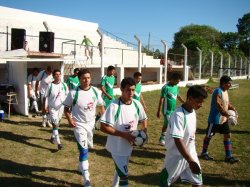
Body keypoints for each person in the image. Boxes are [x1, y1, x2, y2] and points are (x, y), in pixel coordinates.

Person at [100, 77, 148, 187]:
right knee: (124, 176)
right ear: (121, 89)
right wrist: (123, 135)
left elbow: (144, 119)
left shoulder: (137, 104)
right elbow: (103, 127)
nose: (131, 93)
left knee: (120, 170)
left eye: (133, 90)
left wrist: (144, 132)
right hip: (116, 148)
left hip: (128, 146)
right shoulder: (114, 106)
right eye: (128, 90)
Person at [160, 85, 208, 187]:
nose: (201, 105)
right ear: (190, 98)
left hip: (191, 154)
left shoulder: (192, 111)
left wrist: (191, 158)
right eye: (199, 101)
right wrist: (189, 160)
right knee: (164, 183)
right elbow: (178, 139)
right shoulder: (178, 115)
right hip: (176, 157)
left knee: (198, 183)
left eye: (202, 102)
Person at [63, 68, 105, 187]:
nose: (86, 80)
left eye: (88, 78)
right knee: (84, 150)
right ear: (79, 79)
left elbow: (101, 106)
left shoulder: (96, 92)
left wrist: (105, 120)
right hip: (78, 125)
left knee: (87, 146)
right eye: (83, 78)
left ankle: (79, 166)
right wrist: (70, 119)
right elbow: (66, 109)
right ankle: (86, 178)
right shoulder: (73, 93)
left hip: (91, 125)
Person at [200, 75, 239, 163]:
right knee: (208, 136)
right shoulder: (218, 91)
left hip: (223, 119)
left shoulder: (225, 91)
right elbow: (219, 104)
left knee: (227, 135)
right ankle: (204, 153)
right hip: (215, 119)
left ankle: (228, 156)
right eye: (229, 83)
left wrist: (233, 109)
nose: (230, 85)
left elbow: (226, 103)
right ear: (223, 83)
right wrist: (228, 115)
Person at [157, 72, 184, 146]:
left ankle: (161, 138)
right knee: (171, 125)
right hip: (166, 111)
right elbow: (161, 99)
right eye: (177, 81)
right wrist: (159, 111)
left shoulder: (176, 87)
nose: (178, 83)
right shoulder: (165, 87)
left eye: (179, 81)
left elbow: (178, 95)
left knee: (166, 124)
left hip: (173, 110)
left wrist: (183, 102)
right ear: (172, 79)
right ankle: (171, 141)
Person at [43, 69, 68, 150]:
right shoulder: (50, 86)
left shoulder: (64, 85)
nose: (58, 76)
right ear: (53, 76)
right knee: (55, 124)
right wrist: (44, 107)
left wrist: (68, 107)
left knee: (57, 124)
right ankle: (59, 143)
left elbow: (67, 96)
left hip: (61, 107)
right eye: (56, 74)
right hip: (52, 108)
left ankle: (53, 137)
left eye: (59, 74)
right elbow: (44, 97)